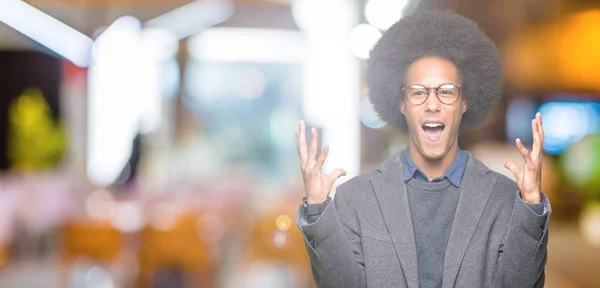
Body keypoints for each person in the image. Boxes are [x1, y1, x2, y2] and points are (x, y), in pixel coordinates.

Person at [294, 10, 550, 288]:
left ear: (464, 102)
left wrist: (532, 204)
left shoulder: (504, 198)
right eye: (418, 91)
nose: (432, 103)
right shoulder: (356, 198)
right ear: (402, 104)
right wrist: (318, 209)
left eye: (447, 91)